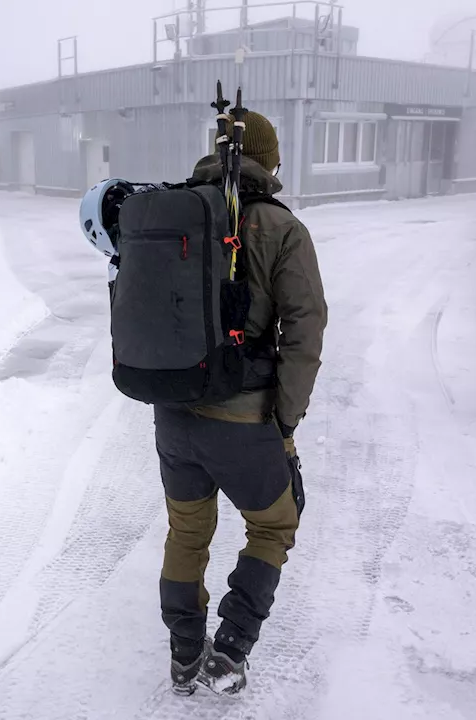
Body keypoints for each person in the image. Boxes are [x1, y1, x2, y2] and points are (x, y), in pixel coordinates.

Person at [153, 111, 327, 694]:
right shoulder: (281, 227)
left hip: (174, 411)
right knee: (275, 524)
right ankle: (230, 648)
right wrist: (284, 418)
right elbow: (304, 329)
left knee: (186, 532)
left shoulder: (178, 213)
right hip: (244, 417)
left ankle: (183, 655)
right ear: (268, 159)